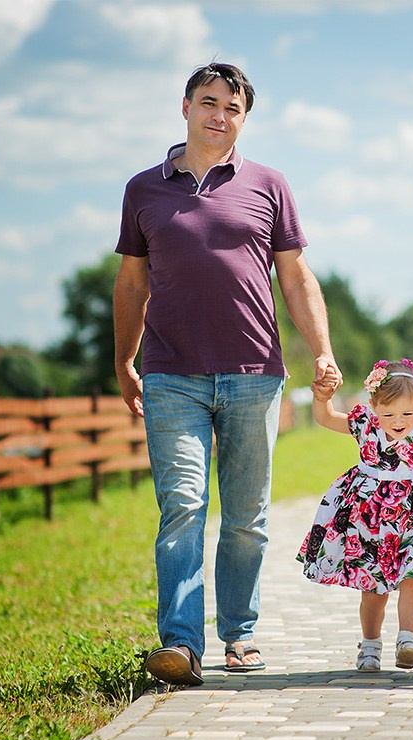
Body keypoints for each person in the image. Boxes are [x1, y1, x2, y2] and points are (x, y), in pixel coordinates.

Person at [114, 62, 342, 687]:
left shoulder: (269, 184)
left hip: (254, 373)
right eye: (208, 102)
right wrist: (123, 361)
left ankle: (239, 634)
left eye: (232, 108)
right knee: (183, 506)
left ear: (245, 118)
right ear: (184, 106)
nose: (219, 115)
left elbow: (295, 275)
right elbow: (132, 282)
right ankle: (182, 645)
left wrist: (321, 349)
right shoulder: (144, 189)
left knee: (245, 516)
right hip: (171, 375)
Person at [299, 359, 413, 672]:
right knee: (373, 588)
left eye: (406, 413)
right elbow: (327, 417)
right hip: (370, 521)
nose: (398, 421)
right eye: (388, 414)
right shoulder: (364, 425)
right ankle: (370, 645)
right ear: (373, 406)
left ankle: (407, 640)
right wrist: (322, 397)